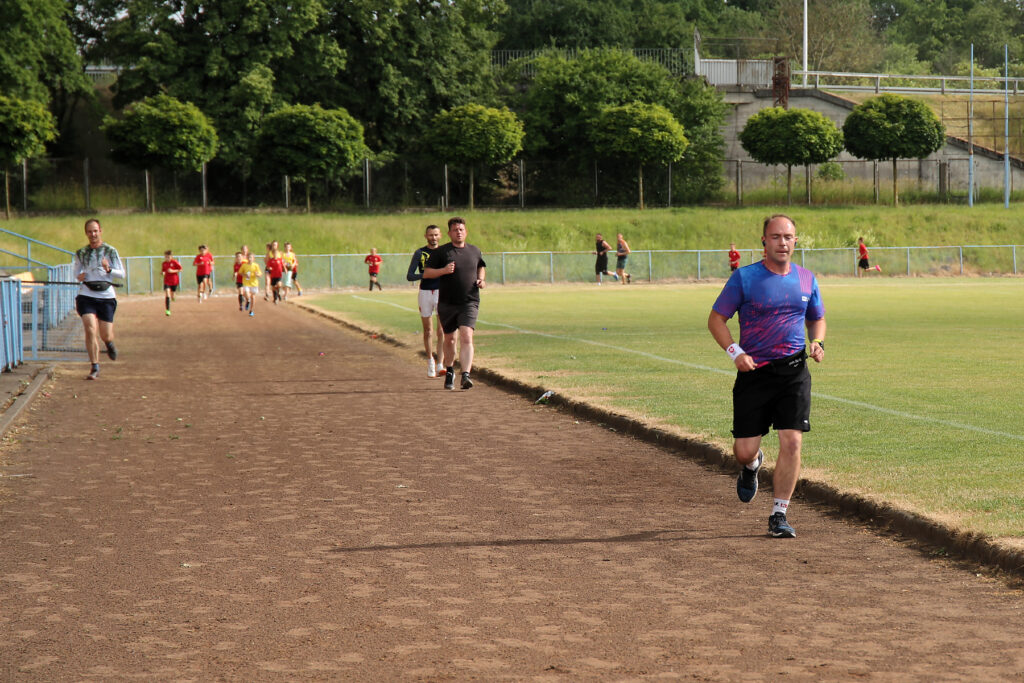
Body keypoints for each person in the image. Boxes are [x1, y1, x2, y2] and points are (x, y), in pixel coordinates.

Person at [707, 214, 826, 539]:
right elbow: (716, 319)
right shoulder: (745, 279)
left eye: (788, 237)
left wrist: (817, 342)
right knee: (744, 450)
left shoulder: (806, 279)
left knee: (792, 441)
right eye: (775, 237)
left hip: (793, 372)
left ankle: (779, 514)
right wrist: (736, 353)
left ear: (795, 241)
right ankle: (751, 465)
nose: (782, 242)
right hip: (754, 373)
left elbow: (817, 319)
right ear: (764, 241)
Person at [422, 217, 486, 390]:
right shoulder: (441, 252)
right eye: (455, 230)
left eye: (461, 229)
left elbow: (481, 266)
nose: (459, 232)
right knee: (450, 340)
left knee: (466, 336)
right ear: (449, 233)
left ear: (466, 231)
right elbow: (427, 273)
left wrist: (481, 279)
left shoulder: (474, 250)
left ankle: (466, 375)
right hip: (448, 303)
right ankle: (449, 370)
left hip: (469, 301)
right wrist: (443, 270)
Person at [74, 218, 125, 380]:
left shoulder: (110, 251)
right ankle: (94, 366)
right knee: (90, 328)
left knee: (106, 334)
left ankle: (109, 343)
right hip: (86, 295)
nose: (93, 234)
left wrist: (109, 269)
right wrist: (79, 276)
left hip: (106, 296)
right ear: (86, 233)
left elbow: (122, 274)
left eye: (95, 231)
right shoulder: (81, 253)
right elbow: (75, 273)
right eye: (90, 231)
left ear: (100, 231)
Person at [407, 224, 445, 377]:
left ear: (440, 235)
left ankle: (440, 363)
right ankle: (430, 361)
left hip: (441, 292)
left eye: (436, 235)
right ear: (426, 236)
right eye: (430, 235)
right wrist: (425, 275)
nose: (433, 238)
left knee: (441, 330)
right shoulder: (420, 253)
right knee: (428, 330)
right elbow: (410, 275)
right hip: (425, 292)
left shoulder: (446, 252)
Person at [161, 250, 182, 316]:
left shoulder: (175, 262)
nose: (167, 258)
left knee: (172, 295)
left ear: (171, 256)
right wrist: (163, 273)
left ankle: (173, 297)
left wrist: (173, 271)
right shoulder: (164, 263)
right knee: (167, 294)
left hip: (174, 281)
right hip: (167, 281)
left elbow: (180, 269)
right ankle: (168, 310)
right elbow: (163, 271)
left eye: (168, 257)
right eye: (166, 257)